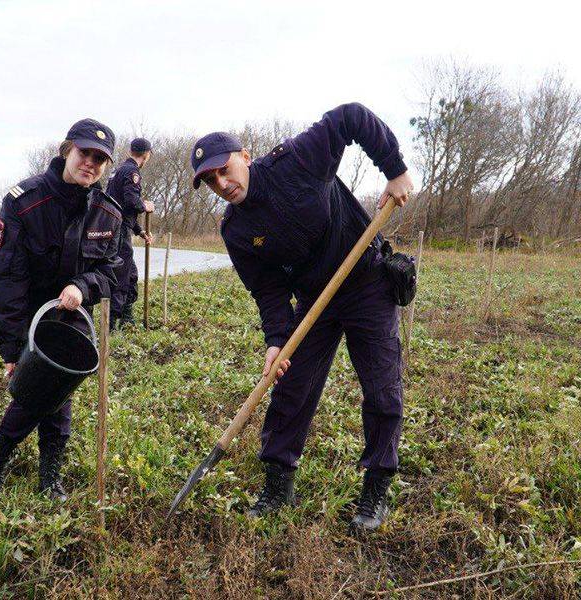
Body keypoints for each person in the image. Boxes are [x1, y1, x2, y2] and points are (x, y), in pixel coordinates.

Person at [190, 103, 414, 532]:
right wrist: (276, 339)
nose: (222, 183)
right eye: (210, 180)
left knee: (382, 388)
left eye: (224, 169)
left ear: (245, 156)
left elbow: (350, 117)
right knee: (290, 388)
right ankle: (278, 485)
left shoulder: (297, 159)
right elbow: (268, 289)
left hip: (366, 281)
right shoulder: (235, 229)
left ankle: (376, 488)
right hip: (313, 300)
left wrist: (395, 169)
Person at [0, 118, 123, 501]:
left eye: (100, 159)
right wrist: (12, 349)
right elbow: (2, 280)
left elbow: (111, 272)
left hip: (71, 317)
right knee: (30, 391)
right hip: (28, 316)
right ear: (66, 151)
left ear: (108, 166)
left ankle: (50, 475)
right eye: (84, 153)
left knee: (60, 391)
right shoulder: (23, 202)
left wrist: (82, 285)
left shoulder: (109, 215)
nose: (90, 163)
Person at [105, 137, 154, 329]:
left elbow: (120, 206)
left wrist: (139, 231)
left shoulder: (117, 170)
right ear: (146, 154)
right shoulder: (132, 172)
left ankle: (127, 317)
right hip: (118, 232)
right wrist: (145, 205)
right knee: (121, 276)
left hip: (116, 226)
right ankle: (111, 324)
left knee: (131, 274)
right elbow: (131, 201)